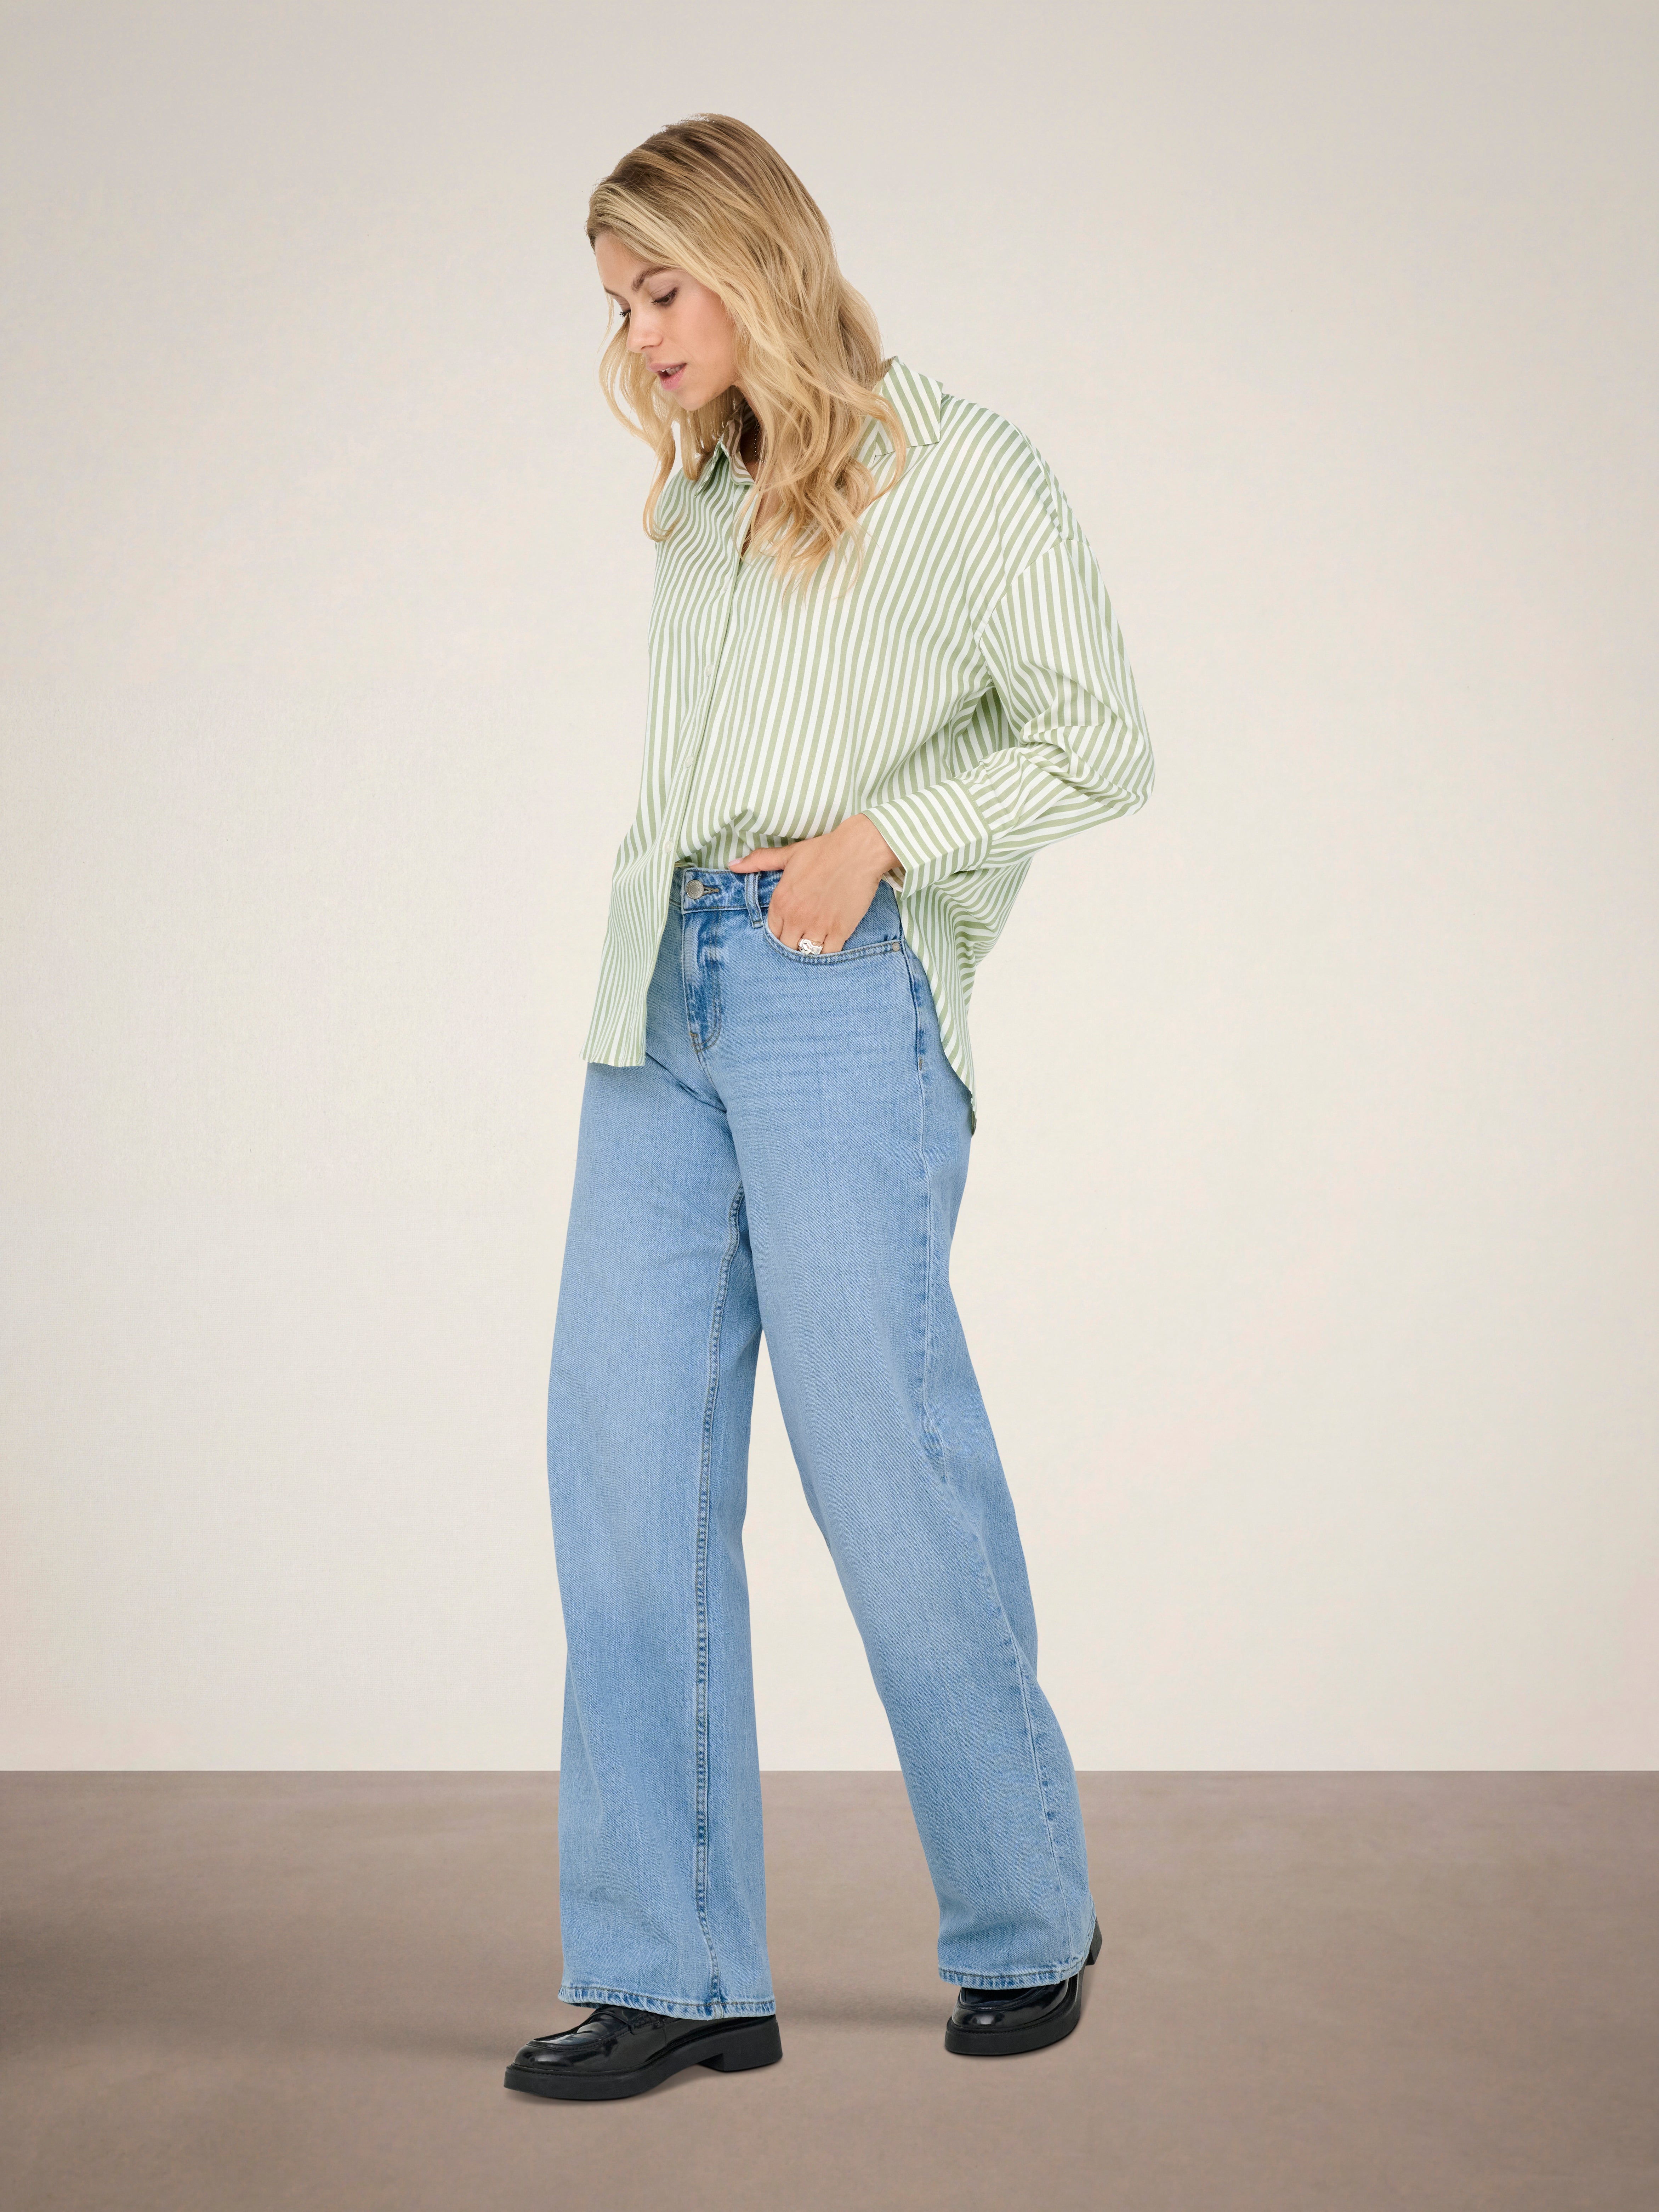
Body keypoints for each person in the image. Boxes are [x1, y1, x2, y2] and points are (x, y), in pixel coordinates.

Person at [505, 114, 1153, 2103]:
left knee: (884, 1456)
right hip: (660, 997)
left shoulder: (961, 470)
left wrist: (885, 835)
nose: (638, 334)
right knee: (622, 1469)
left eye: (663, 289)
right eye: (617, 304)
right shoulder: (703, 492)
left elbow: (1102, 740)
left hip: (836, 992)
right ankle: (676, 1968)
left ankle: (1028, 1913)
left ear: (759, 257)